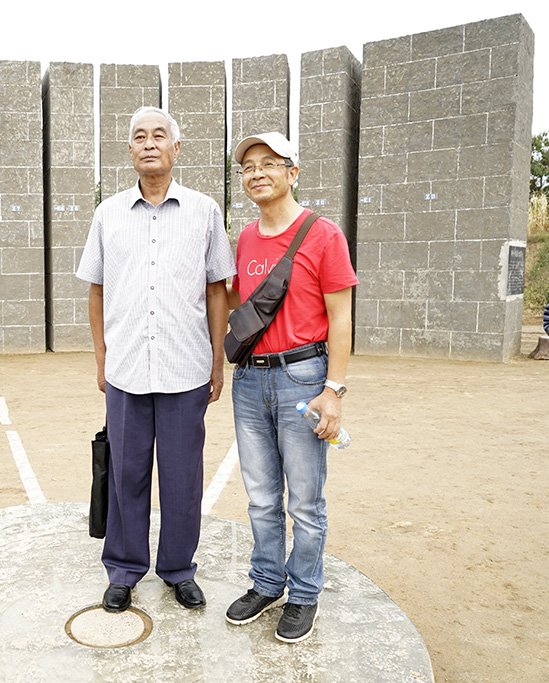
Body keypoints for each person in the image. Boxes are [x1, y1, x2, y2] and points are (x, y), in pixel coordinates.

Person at [76, 106, 236, 613]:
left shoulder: (205, 211)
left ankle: (177, 569)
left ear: (175, 148)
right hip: (126, 369)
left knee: (183, 475)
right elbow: (97, 291)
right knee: (127, 474)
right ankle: (123, 569)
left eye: (159, 136)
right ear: (130, 151)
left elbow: (217, 291)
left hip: (185, 367)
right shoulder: (107, 214)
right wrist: (102, 358)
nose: (150, 143)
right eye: (139, 137)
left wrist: (216, 361)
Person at [224, 132, 357, 643]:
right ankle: (266, 582)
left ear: (292, 172)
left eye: (268, 164)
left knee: (304, 500)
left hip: (303, 376)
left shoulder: (323, 235)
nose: (256, 173)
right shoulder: (247, 238)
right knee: (260, 497)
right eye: (247, 167)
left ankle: (304, 594)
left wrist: (334, 391)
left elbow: (341, 318)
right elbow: (240, 297)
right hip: (249, 379)